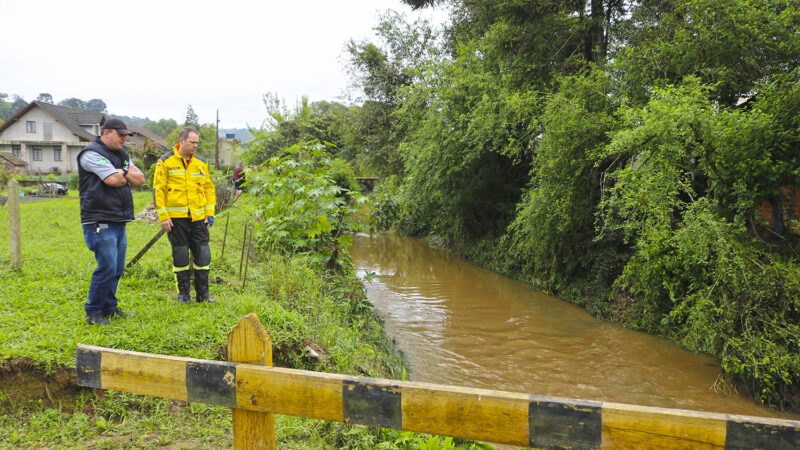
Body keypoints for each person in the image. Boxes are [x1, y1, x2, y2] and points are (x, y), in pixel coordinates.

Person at [78, 117, 146, 325]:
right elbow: (112, 180)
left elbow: (141, 179)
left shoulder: (122, 155)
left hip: (118, 218)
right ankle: (94, 311)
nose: (124, 139)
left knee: (116, 267)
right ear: (106, 132)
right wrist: (125, 174)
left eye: (126, 135)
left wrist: (123, 171)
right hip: (99, 219)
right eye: (121, 134)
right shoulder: (91, 154)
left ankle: (109, 307)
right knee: (106, 266)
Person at [153, 128, 216, 304]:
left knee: (203, 256)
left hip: (199, 218)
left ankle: (203, 295)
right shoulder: (165, 162)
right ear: (182, 141)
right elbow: (159, 190)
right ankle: (184, 295)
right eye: (192, 142)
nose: (195, 145)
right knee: (180, 256)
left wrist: (210, 213)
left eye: (197, 143)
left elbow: (208, 189)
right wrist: (163, 216)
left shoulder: (202, 163)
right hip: (176, 219)